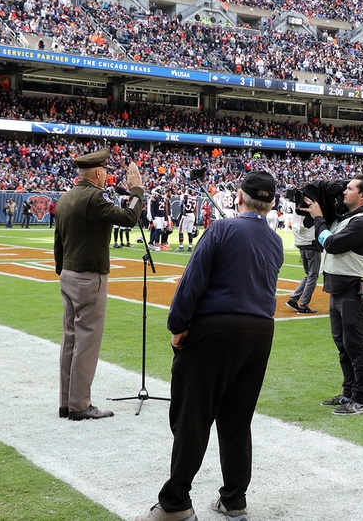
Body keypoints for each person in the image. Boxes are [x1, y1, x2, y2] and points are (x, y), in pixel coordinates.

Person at [136, 171, 284, 521]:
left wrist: (178, 326)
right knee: (237, 419)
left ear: (240, 197)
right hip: (260, 331)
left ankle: (175, 503)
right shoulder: (275, 240)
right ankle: (234, 499)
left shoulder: (221, 229)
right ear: (271, 203)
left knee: (192, 417)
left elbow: (193, 281)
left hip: (216, 329)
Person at [54, 148, 144, 421]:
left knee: (69, 340)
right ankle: (80, 404)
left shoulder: (65, 198)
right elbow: (128, 219)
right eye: (104, 172)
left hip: (68, 273)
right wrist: (137, 191)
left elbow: (58, 242)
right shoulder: (95, 196)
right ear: (98, 173)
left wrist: (62, 270)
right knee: (87, 341)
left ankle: (66, 402)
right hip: (89, 276)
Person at [305, 176, 363, 417]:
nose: (344, 192)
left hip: (356, 290)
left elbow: (333, 244)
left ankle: (361, 399)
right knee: (343, 345)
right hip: (340, 289)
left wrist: (318, 218)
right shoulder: (345, 218)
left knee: (356, 346)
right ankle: (348, 392)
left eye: (349, 189)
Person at [285, 206, 322, 314]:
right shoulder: (308, 210)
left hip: (301, 243)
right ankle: (303, 305)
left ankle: (294, 299)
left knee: (308, 275)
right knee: (312, 276)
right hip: (310, 244)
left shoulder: (296, 208)